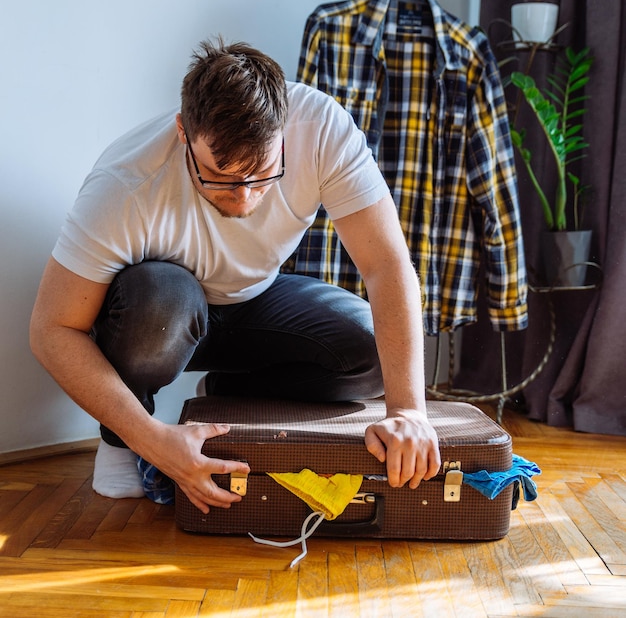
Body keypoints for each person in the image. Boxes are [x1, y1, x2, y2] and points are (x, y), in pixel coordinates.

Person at [30, 38, 440, 515]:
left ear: (284, 132)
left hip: (256, 302)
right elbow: (52, 330)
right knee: (163, 299)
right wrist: (151, 440)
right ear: (184, 132)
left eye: (262, 173)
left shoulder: (322, 128)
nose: (243, 198)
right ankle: (122, 442)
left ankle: (224, 398)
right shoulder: (124, 183)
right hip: (159, 313)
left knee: (370, 347)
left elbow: (386, 265)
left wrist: (409, 410)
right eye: (219, 176)